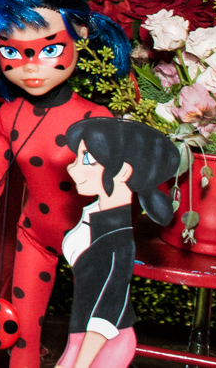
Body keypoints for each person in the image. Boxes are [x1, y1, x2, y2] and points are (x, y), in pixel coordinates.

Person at [0, 0, 128, 368]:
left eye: (49, 48)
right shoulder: (7, 117)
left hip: (90, 240)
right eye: (11, 52)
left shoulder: (96, 118)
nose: (30, 67)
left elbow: (119, 193)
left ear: (79, 36)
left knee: (94, 337)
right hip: (34, 234)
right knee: (23, 331)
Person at [58, 117, 178, 368]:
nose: (72, 168)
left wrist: (80, 364)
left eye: (87, 159)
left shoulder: (118, 242)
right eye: (77, 158)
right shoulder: (94, 218)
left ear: (123, 171)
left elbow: (108, 310)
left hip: (104, 342)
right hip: (80, 335)